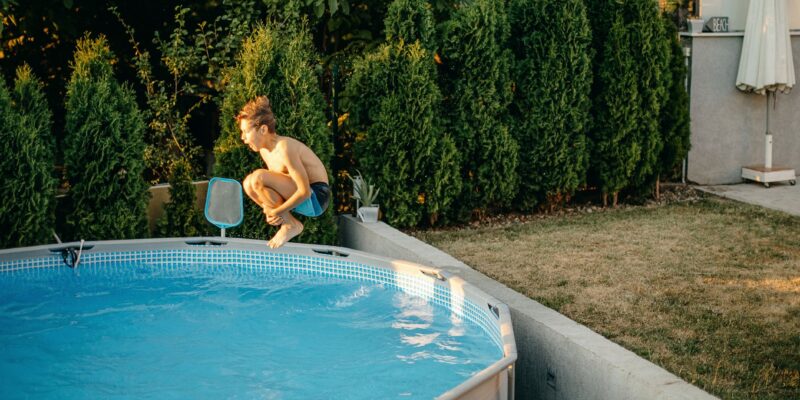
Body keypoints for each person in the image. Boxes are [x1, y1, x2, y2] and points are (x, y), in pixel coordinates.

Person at [238, 96, 330, 248]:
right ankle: (290, 222)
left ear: (263, 129)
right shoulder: (264, 151)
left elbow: (305, 191)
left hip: (316, 197)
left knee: (258, 178)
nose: (243, 138)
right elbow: (272, 188)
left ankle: (290, 225)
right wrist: (269, 209)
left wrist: (278, 211)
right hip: (299, 196)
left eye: (246, 132)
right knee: (248, 183)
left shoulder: (284, 147)